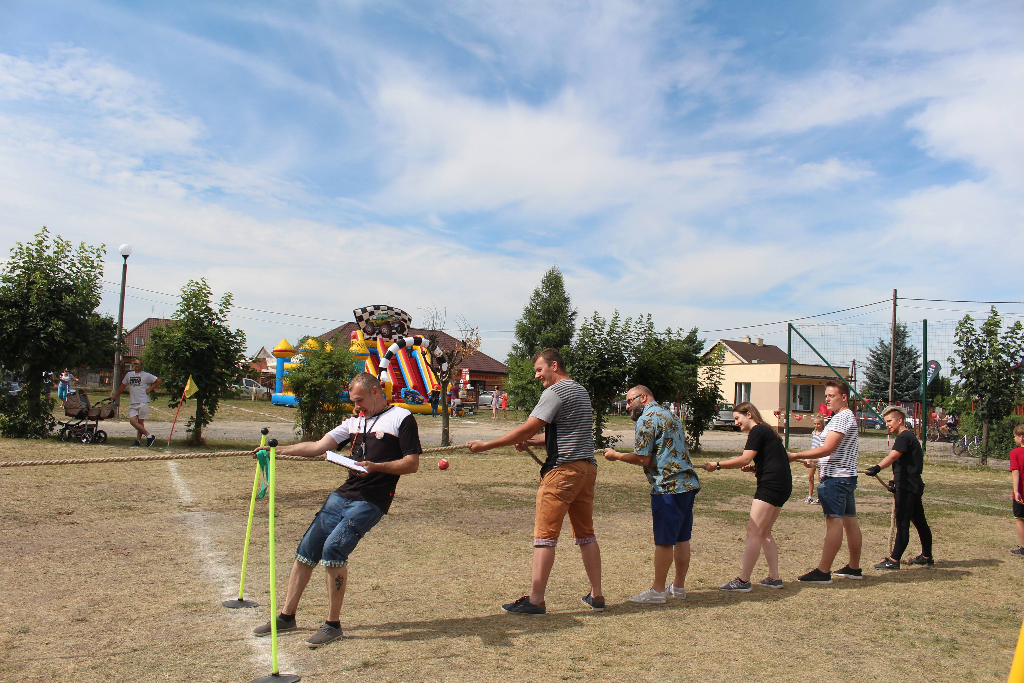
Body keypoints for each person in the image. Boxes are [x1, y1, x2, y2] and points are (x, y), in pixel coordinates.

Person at [253, 372, 421, 648]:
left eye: (360, 400)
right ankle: (286, 616)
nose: (356, 407)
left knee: (333, 550)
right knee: (307, 549)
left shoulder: (401, 418)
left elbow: (411, 463)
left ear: (376, 392)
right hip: (343, 494)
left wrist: (376, 467)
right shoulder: (354, 422)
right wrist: (278, 451)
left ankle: (333, 625)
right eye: (354, 402)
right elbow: (319, 447)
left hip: (372, 499)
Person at [467, 348, 603, 614]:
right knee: (586, 534)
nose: (537, 376)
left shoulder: (554, 392)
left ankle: (536, 600)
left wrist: (487, 445)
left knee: (545, 537)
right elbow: (566, 434)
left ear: (554, 365)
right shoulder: (580, 391)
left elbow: (529, 426)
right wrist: (530, 442)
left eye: (540, 370)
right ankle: (596, 595)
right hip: (586, 471)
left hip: (562, 474)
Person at [604, 385, 699, 603]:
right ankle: (678, 587)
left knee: (665, 541)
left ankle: (657, 591)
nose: (627, 406)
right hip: (687, 485)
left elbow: (642, 458)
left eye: (630, 401)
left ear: (643, 398)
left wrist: (616, 455)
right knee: (682, 538)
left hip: (667, 488)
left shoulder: (647, 419)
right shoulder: (671, 415)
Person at [702, 402, 792, 591]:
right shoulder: (768, 431)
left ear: (749, 414)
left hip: (771, 486)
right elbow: (774, 458)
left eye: (737, 418)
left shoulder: (757, 431)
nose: (736, 423)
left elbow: (744, 458)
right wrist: (756, 468)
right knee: (765, 533)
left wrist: (717, 464)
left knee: (754, 532)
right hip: (782, 486)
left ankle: (743, 581)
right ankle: (774, 578)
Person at [788, 379, 863, 583]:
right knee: (850, 522)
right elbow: (835, 451)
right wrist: (815, 461)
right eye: (826, 395)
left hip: (836, 480)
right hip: (845, 477)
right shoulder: (846, 417)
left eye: (832, 396)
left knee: (835, 524)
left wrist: (796, 455)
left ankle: (823, 571)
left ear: (844, 397)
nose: (827, 399)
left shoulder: (840, 418)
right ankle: (854, 567)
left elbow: (828, 447)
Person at [866, 406, 934, 569]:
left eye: (889, 421)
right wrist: (893, 478)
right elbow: (905, 462)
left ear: (900, 420)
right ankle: (927, 556)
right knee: (920, 522)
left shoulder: (904, 437)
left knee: (903, 522)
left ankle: (894, 560)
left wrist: (877, 467)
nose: (887, 424)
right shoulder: (909, 437)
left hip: (908, 486)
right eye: (886, 421)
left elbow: (894, 455)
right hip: (912, 484)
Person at [110, 360, 160, 447]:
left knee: (140, 422)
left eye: (139, 364)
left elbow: (158, 381)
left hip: (142, 401)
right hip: (133, 402)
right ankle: (149, 436)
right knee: (133, 421)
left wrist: (149, 389)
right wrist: (115, 396)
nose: (137, 365)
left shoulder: (146, 375)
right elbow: (123, 386)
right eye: (135, 364)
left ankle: (138, 441)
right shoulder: (129, 375)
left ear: (142, 365)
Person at [1009, 425, 1024, 556]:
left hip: (1022, 492)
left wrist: (1016, 491)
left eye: (1015, 436)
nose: (1014, 439)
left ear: (1021, 437)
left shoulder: (1015, 452)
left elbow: (1015, 472)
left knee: (1019, 519)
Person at [804, 415, 826, 504]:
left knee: (820, 478)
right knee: (810, 477)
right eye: (815, 424)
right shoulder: (813, 433)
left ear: (822, 424)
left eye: (818, 424)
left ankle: (820, 497)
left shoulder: (824, 434)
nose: (816, 426)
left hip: (819, 457)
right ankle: (810, 496)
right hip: (812, 456)